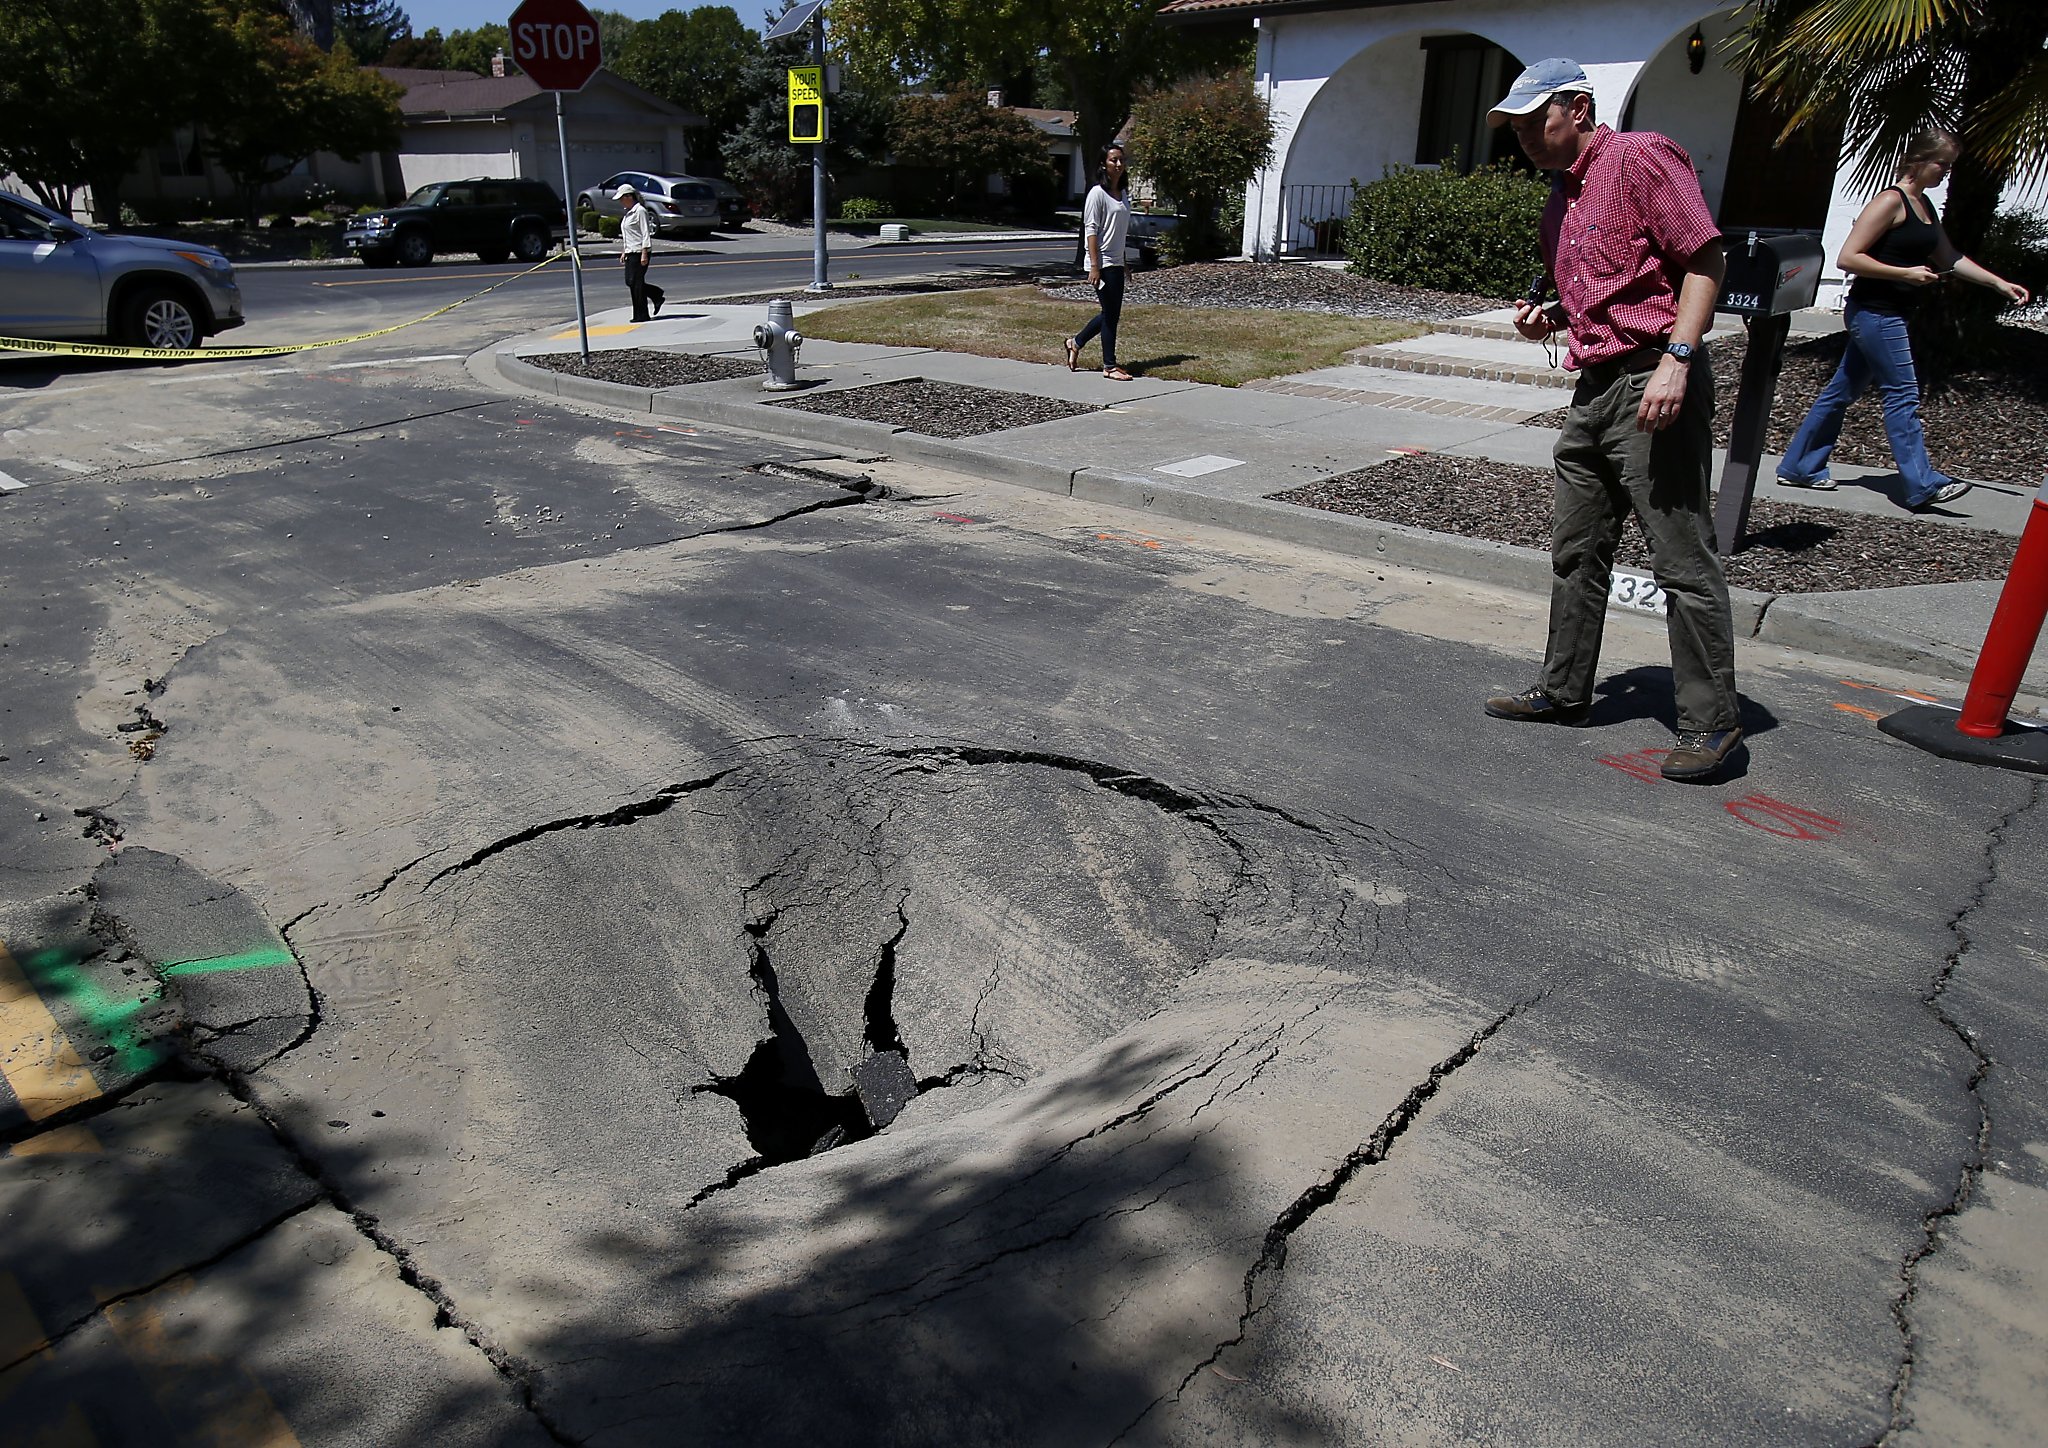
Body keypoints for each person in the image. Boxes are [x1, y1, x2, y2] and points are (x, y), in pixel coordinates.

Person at [1482, 58, 1744, 783]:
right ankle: (1566, 691)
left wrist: (1679, 360)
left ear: (1579, 106)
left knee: (1681, 560)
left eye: (1539, 120)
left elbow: (1704, 259)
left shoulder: (1639, 156)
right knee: (1576, 549)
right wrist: (1551, 318)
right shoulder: (1563, 194)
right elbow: (1609, 288)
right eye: (1518, 128)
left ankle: (1714, 723)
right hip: (1594, 387)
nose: (1528, 137)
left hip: (1652, 378)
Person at [1776, 127, 2031, 510]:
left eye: (1948, 166)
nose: (1945, 172)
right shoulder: (1889, 202)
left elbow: (1949, 257)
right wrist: (1906, 273)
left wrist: (1998, 283)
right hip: (1875, 313)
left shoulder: (1923, 206)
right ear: (1918, 161)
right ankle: (1921, 483)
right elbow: (1849, 257)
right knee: (1903, 394)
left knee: (1841, 392)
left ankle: (1800, 466)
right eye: (1941, 164)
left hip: (1890, 314)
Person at [1064, 146, 1134, 381]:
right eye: (1113, 160)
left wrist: (1124, 261)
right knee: (1111, 315)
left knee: (1110, 314)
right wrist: (1094, 266)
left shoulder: (1123, 194)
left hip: (1116, 261)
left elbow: (1119, 231)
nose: (1118, 164)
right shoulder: (1097, 193)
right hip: (1102, 262)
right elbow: (1090, 230)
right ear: (1104, 164)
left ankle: (1075, 342)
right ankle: (1109, 366)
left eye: (1121, 160)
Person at [616, 183, 664, 323]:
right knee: (630, 282)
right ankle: (656, 294)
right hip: (631, 251)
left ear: (629, 196)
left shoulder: (640, 211)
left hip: (639, 251)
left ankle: (641, 315)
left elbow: (645, 233)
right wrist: (624, 251)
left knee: (636, 284)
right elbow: (628, 234)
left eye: (622, 198)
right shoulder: (628, 212)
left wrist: (644, 252)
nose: (620, 201)